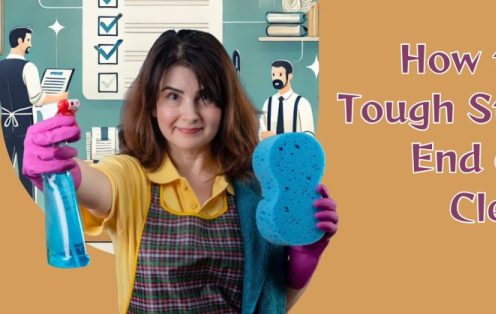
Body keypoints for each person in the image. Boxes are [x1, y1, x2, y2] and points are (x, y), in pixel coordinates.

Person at [22, 30, 338, 313]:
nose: (190, 114)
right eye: (173, 96)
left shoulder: (254, 192)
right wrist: (56, 166)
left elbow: (269, 303)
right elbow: (94, 182)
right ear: (152, 106)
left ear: (225, 105)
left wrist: (304, 258)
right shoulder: (133, 178)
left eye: (206, 97)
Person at [0, 26, 68, 197]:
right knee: (26, 171)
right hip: (24, 125)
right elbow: (36, 99)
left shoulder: (1, 66)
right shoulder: (29, 67)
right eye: (28, 40)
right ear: (19, 41)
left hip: (4, 123)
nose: (30, 44)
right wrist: (60, 96)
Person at [258, 60, 315, 140]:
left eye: (280, 74)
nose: (276, 78)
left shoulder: (302, 103)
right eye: (273, 75)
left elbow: (308, 136)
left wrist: (279, 137)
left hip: (295, 152)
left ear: (289, 76)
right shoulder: (268, 103)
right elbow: (261, 132)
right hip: (272, 152)